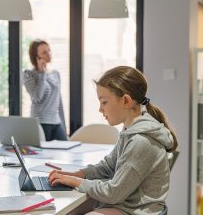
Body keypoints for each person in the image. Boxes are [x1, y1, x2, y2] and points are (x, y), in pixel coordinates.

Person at [49, 66, 178, 215]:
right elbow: (108, 166)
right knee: (69, 210)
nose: (100, 109)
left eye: (104, 102)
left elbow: (114, 193)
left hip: (138, 211)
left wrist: (75, 182)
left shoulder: (141, 141)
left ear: (126, 101)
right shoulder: (131, 131)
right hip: (126, 204)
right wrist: (78, 175)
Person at [23, 39, 67, 141]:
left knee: (65, 152)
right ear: (36, 57)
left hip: (56, 122)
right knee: (42, 156)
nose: (49, 54)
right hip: (40, 123)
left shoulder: (55, 73)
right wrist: (41, 73)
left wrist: (64, 126)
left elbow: (58, 102)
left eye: (49, 50)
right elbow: (37, 98)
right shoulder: (28, 74)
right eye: (44, 52)